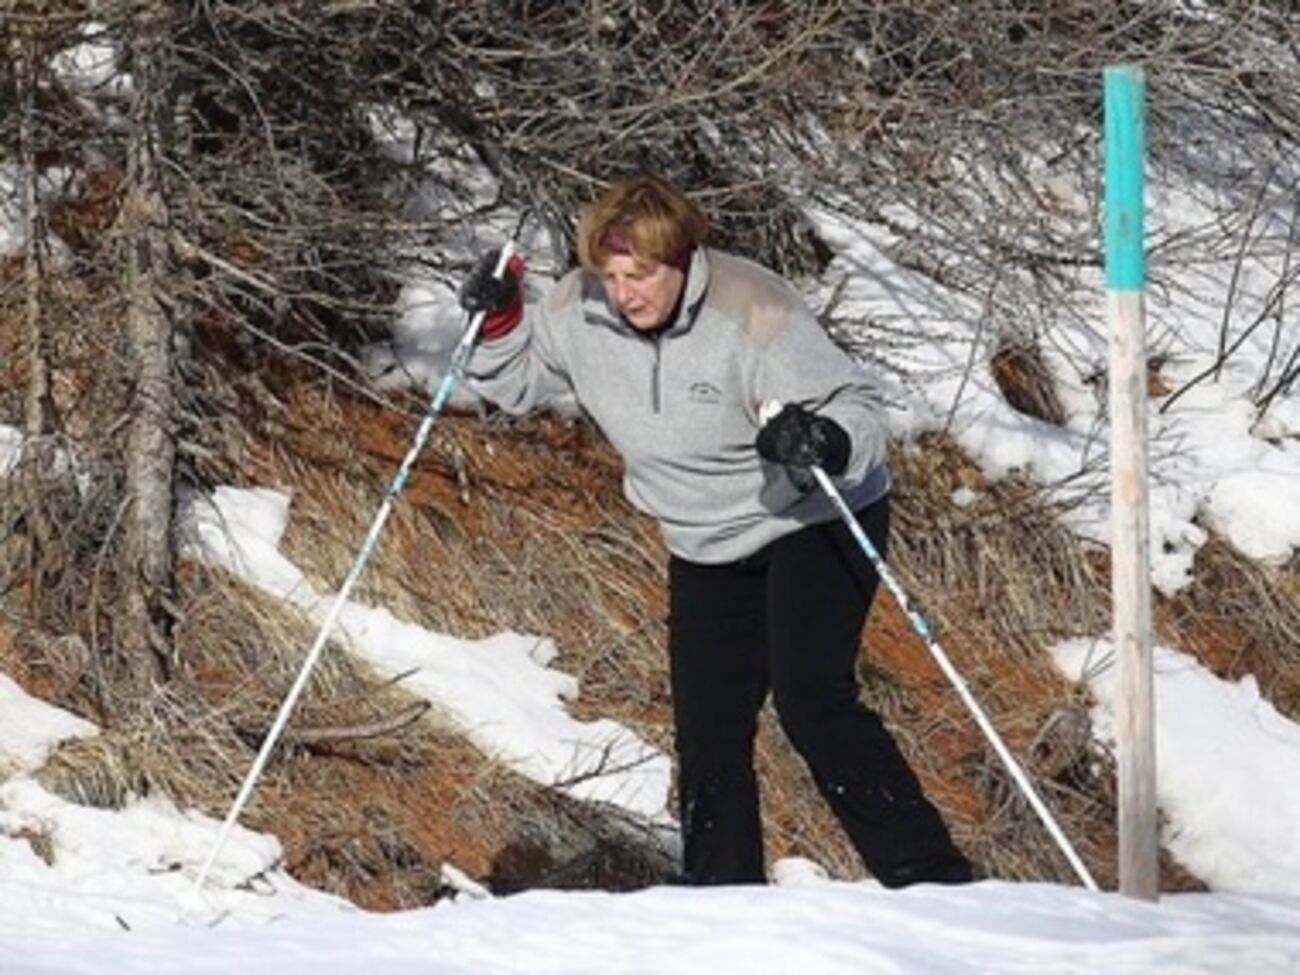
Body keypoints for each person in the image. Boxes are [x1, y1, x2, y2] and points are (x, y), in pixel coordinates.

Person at [459, 174, 972, 888]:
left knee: (810, 698)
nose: (623, 292)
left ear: (679, 260)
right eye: (609, 274)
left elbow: (856, 408)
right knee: (708, 732)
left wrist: (821, 438)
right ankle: (721, 898)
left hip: (809, 518)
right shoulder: (580, 308)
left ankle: (932, 878)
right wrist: (502, 315)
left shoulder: (750, 307)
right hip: (702, 538)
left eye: (639, 275)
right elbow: (511, 383)